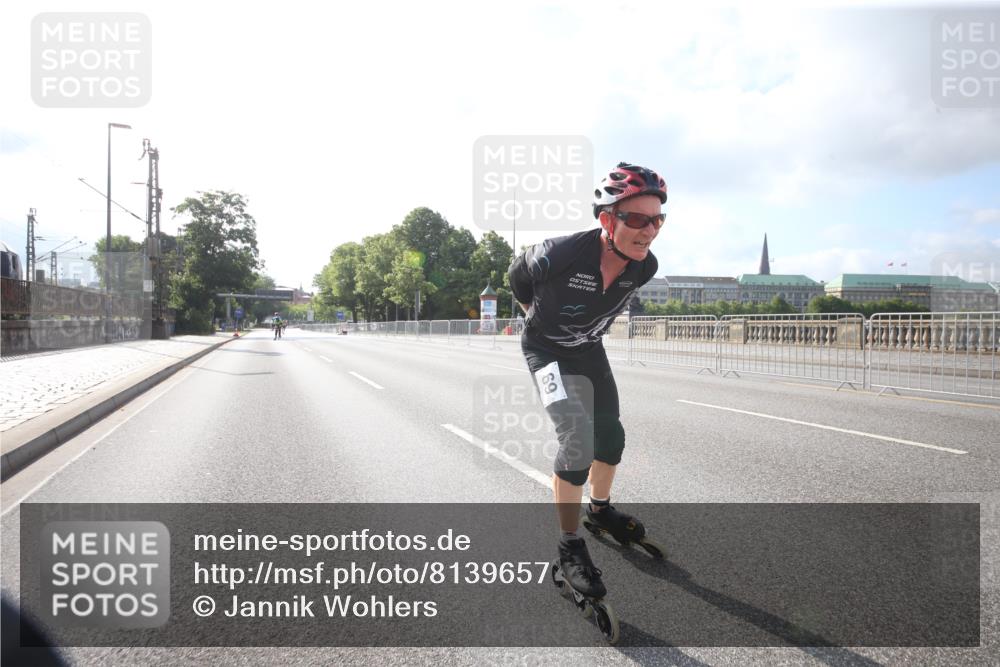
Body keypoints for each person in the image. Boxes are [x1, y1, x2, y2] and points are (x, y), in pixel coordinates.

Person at [508, 161, 666, 600]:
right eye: (636, 219)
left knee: (610, 435)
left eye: (657, 220)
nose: (648, 230)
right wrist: (533, 316)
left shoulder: (644, 266)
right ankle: (569, 543)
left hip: (589, 351)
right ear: (606, 219)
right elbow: (517, 276)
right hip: (546, 353)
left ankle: (599, 511)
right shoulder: (561, 253)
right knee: (577, 441)